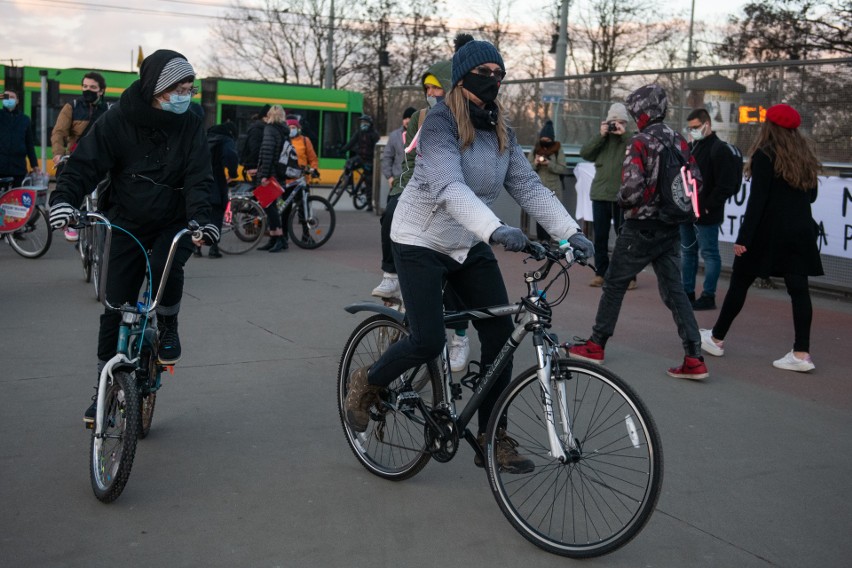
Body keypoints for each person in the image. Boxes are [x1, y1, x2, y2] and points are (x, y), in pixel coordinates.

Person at [343, 34, 595, 473]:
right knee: (427, 338)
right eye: (484, 73)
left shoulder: (501, 131)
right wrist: (496, 228)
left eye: (500, 74)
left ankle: (490, 436)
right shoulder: (439, 125)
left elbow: (529, 187)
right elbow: (448, 187)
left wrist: (570, 233)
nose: (493, 80)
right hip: (420, 239)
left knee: (500, 339)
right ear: (462, 79)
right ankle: (367, 382)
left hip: (468, 243)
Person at [47, 49, 218, 424]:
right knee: (115, 307)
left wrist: (202, 220)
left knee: (165, 264)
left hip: (175, 219)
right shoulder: (118, 119)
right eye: (179, 89)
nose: (185, 96)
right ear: (157, 88)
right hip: (126, 218)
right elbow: (84, 164)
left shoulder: (190, 123)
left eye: (189, 88)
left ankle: (168, 325)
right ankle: (103, 389)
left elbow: (199, 177)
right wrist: (63, 200)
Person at [568, 84, 709, 380]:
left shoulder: (640, 141)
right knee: (674, 292)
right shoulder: (680, 140)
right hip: (670, 226)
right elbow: (695, 180)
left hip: (640, 227)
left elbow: (631, 191)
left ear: (640, 112)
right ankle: (694, 356)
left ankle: (597, 344)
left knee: (614, 284)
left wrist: (622, 199)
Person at [700, 103, 822, 372]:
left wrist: (744, 238)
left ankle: (717, 338)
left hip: (768, 233)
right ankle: (801, 353)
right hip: (800, 231)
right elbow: (811, 196)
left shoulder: (765, 155)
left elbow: (758, 201)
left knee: (740, 282)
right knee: (799, 290)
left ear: (769, 126)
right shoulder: (805, 155)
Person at [681, 108, 743, 310]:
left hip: (706, 213)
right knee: (688, 253)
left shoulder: (719, 149)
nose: (692, 131)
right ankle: (687, 292)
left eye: (696, 127)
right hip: (689, 211)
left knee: (709, 253)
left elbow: (725, 185)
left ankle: (708, 295)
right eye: (690, 128)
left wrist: (708, 207)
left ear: (707, 124)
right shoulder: (692, 147)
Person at [579, 103, 635, 289]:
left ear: (625, 123)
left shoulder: (630, 139)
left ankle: (629, 276)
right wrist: (601, 135)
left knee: (625, 238)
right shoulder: (602, 141)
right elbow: (585, 153)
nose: (614, 126)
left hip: (622, 196)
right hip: (601, 194)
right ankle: (601, 273)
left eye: (619, 122)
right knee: (600, 237)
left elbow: (637, 150)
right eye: (612, 122)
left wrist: (624, 134)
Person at [50, 72, 111, 243]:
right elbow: (59, 132)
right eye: (85, 86)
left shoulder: (108, 110)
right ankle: (69, 217)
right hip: (75, 157)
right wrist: (58, 154)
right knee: (68, 180)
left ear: (101, 91)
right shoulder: (72, 106)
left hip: (100, 159)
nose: (87, 90)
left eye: (92, 87)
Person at [373, 106, 417, 299]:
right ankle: (390, 274)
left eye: (411, 119)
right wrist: (389, 177)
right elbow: (387, 158)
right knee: (389, 217)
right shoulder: (394, 136)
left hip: (417, 183)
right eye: (406, 119)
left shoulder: (424, 132)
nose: (408, 122)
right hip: (399, 182)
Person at [201, 121, 239, 258]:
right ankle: (213, 248)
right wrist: (233, 173)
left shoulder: (205, 137)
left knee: (200, 212)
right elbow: (231, 156)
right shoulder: (226, 140)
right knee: (216, 212)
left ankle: (196, 247)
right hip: (216, 179)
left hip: (200, 179)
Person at [256, 105, 290, 253]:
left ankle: (279, 239)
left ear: (270, 115)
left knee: (269, 207)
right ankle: (274, 239)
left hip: (271, 175)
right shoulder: (284, 130)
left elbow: (268, 153)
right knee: (271, 207)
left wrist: (264, 175)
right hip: (280, 173)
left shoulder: (270, 129)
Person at [528, 119, 568, 242]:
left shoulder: (558, 150)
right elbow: (527, 168)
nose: (545, 143)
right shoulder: (535, 149)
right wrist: (535, 163)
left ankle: (552, 240)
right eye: (543, 139)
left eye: (548, 140)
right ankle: (542, 241)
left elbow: (563, 168)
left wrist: (549, 164)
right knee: (540, 217)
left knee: (553, 217)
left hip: (553, 189)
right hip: (538, 188)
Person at [341, 114, 380, 211]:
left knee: (368, 180)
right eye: (362, 123)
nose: (363, 124)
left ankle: (370, 203)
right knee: (349, 164)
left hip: (369, 160)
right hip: (360, 158)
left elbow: (377, 149)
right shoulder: (359, 133)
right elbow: (351, 142)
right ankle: (348, 182)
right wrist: (343, 150)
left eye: (365, 123)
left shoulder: (374, 135)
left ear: (370, 124)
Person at [0, 90, 38, 187]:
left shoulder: (25, 119)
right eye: (6, 97)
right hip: (1, 165)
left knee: (16, 198)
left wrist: (34, 165)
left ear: (17, 101)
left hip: (18, 168)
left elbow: (29, 143)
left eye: (12, 97)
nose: (9, 99)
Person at [240, 104, 270, 180]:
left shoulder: (261, 128)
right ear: (265, 117)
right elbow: (255, 149)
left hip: (257, 166)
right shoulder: (257, 129)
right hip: (255, 166)